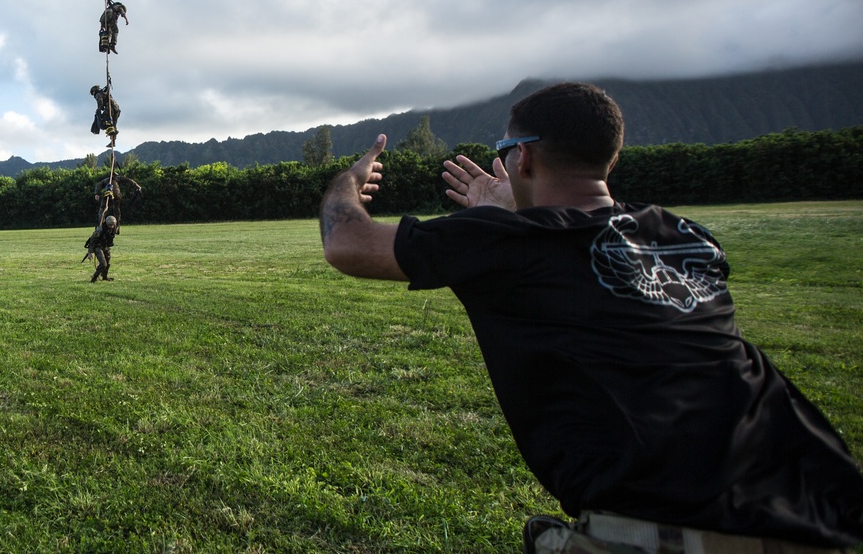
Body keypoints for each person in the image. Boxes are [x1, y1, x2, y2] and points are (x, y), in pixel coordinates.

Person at [318, 82, 863, 553]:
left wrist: (348, 180)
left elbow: (346, 241)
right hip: (825, 513)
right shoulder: (683, 237)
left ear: (523, 157)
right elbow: (585, 238)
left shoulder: (507, 242)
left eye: (504, 150)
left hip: (676, 533)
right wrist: (519, 207)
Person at [85, 215, 118, 282]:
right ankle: (94, 279)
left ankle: (104, 277)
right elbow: (92, 241)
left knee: (107, 263)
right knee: (103, 264)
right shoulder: (100, 230)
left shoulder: (114, 228)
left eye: (112, 225)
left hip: (105, 247)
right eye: (109, 225)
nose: (111, 226)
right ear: (106, 223)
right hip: (98, 247)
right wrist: (89, 253)